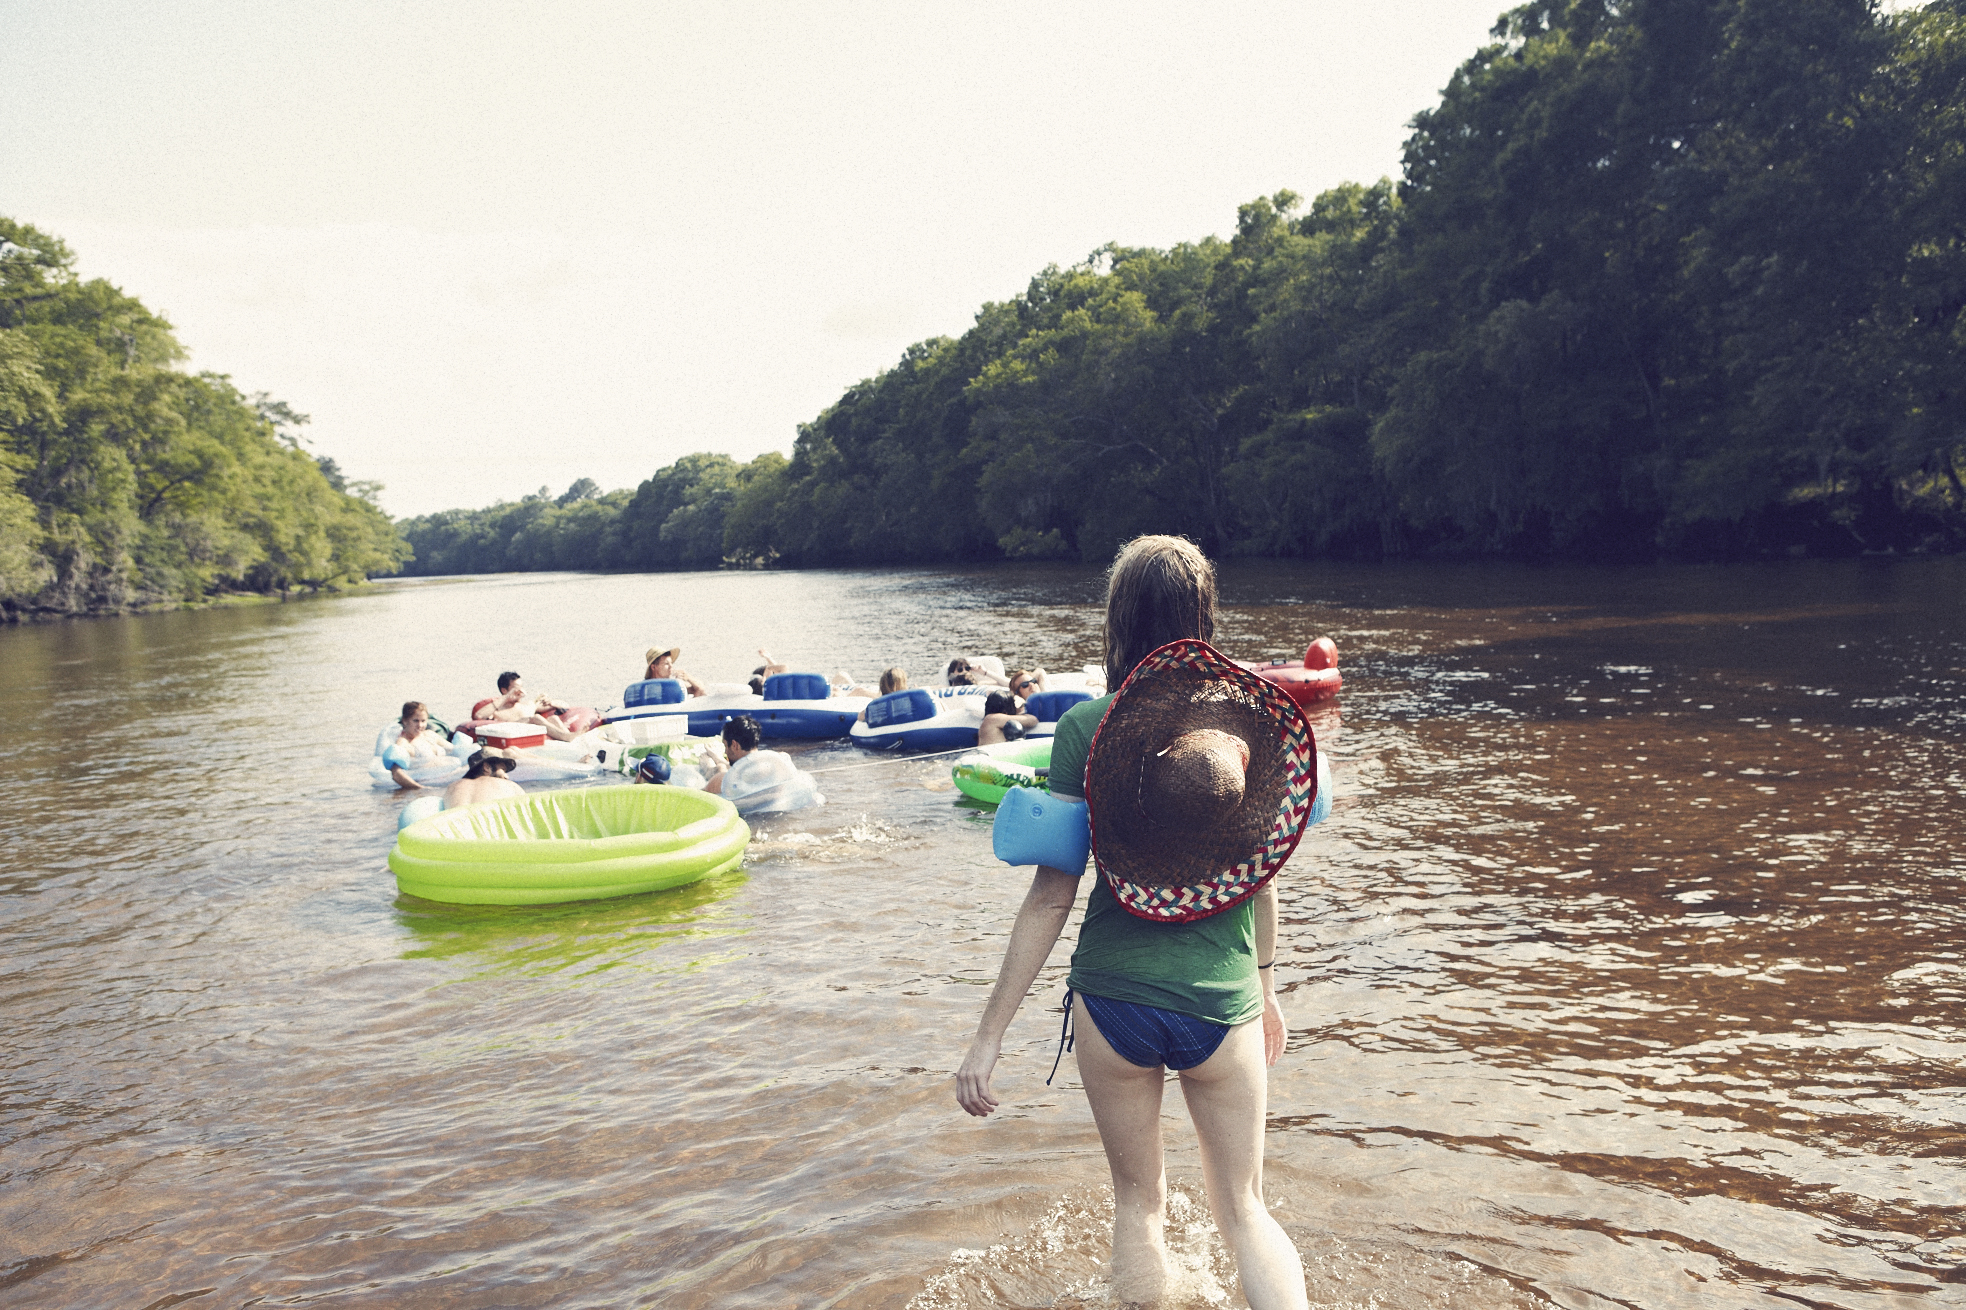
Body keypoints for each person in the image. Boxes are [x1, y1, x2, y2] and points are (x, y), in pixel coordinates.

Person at [955, 535, 1316, 1310]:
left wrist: (988, 1038)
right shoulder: (1243, 731)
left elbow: (1053, 896)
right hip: (1222, 1000)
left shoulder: (1087, 728)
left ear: (1119, 621)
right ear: (1204, 615)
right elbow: (1260, 880)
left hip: (1112, 999)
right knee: (1244, 1210)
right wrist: (1268, 989)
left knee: (1138, 1204)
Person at [479, 672, 580, 742]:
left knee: (553, 718)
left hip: (536, 738)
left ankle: (571, 739)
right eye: (516, 688)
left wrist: (552, 702)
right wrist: (506, 697)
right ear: (504, 690)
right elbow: (479, 715)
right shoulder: (497, 710)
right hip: (514, 736)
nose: (520, 691)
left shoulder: (528, 705)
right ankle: (566, 737)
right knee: (534, 718)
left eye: (521, 687)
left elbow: (565, 705)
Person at [383, 700, 453, 790]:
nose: (420, 725)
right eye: (416, 721)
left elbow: (453, 749)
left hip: (448, 777)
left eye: (423, 721)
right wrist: (421, 788)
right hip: (428, 785)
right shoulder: (404, 743)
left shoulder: (430, 735)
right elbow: (396, 773)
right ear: (405, 721)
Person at [703, 714, 762, 796]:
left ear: (735, 745)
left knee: (720, 767)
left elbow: (695, 798)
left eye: (726, 746)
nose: (725, 752)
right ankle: (717, 758)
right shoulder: (777, 765)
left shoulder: (722, 781)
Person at [443, 748, 523, 808]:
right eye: (502, 770)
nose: (506, 776)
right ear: (486, 767)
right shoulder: (510, 786)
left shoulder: (452, 786)